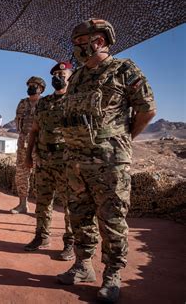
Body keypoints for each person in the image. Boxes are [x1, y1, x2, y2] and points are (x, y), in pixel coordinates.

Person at [56, 19, 156, 303]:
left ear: (97, 41)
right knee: (79, 217)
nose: (74, 47)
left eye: (78, 41)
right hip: (75, 162)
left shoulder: (124, 69)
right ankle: (83, 266)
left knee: (112, 220)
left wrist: (123, 138)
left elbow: (147, 109)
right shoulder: (76, 77)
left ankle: (112, 275)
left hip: (110, 163)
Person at [24, 62, 74, 261]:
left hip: (67, 161)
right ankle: (41, 236)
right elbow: (35, 130)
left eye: (62, 74)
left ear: (71, 76)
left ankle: (70, 242)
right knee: (42, 202)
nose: (58, 77)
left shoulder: (75, 100)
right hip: (44, 161)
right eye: (55, 74)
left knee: (69, 205)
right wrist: (29, 155)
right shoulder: (44, 103)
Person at [10, 76, 46, 214]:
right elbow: (18, 123)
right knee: (21, 175)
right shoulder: (22, 103)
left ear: (41, 89)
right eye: (29, 85)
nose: (30, 87)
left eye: (34, 85)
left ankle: (41, 208)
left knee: (41, 177)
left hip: (40, 145)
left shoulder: (45, 103)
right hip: (23, 145)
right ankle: (22, 204)